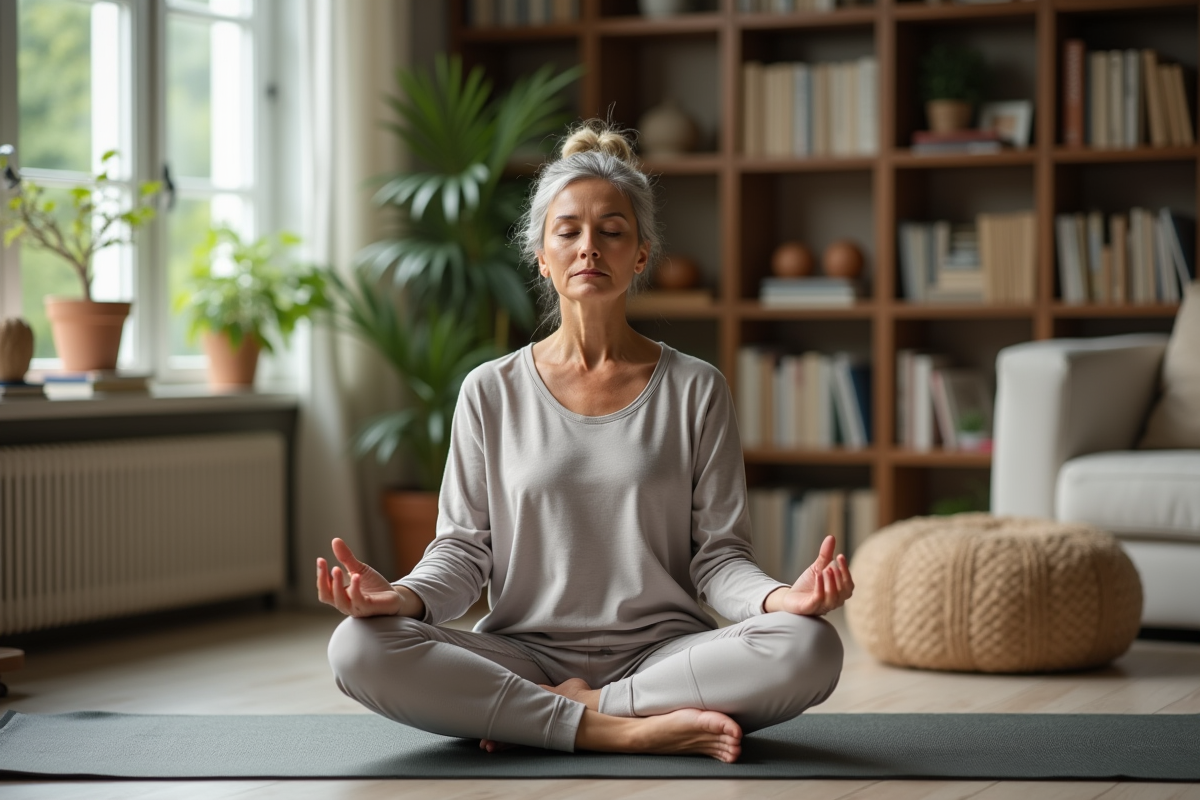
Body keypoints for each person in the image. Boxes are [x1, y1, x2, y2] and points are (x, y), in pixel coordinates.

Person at [318, 120, 854, 764]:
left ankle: (569, 713)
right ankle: (631, 729)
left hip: (665, 653)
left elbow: (718, 560)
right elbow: (462, 554)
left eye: (612, 231)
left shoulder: (696, 388)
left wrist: (780, 598)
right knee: (356, 647)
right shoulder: (489, 390)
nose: (588, 248)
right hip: (524, 652)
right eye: (568, 232)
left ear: (641, 255)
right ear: (541, 255)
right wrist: (401, 596)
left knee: (811, 645)